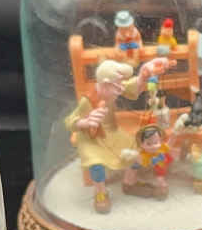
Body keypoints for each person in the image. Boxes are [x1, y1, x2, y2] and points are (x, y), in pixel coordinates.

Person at [64, 56, 171, 212]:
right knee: (96, 162)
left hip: (112, 132)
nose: (121, 88)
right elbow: (69, 121)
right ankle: (100, 191)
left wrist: (143, 74)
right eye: (118, 84)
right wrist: (85, 122)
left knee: (135, 149)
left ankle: (130, 182)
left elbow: (132, 87)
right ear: (105, 84)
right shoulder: (88, 100)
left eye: (121, 83)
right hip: (91, 137)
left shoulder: (113, 88)